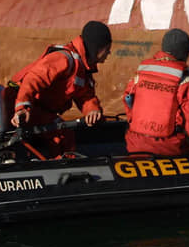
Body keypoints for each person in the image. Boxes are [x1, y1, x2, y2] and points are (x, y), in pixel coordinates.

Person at [9, 20, 112, 157]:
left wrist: (92, 111)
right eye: (107, 49)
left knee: (65, 135)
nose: (109, 53)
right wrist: (22, 107)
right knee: (63, 137)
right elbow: (32, 79)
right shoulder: (64, 59)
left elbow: (85, 96)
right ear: (97, 48)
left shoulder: (82, 69)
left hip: (39, 111)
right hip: (27, 108)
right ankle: (62, 170)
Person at [123, 28, 189, 156]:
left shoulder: (140, 75)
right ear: (185, 54)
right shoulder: (186, 82)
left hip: (135, 146)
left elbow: (128, 103)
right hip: (170, 149)